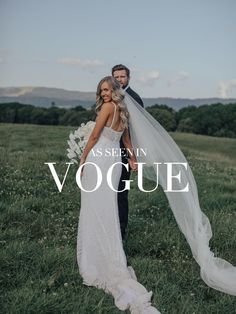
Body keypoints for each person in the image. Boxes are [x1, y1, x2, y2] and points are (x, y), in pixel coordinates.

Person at [77, 76, 160, 314]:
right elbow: (125, 138)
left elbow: (93, 136)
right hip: (114, 159)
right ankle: (108, 250)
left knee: (94, 205)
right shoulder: (123, 110)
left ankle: (96, 256)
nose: (103, 93)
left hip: (101, 158)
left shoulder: (107, 108)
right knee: (107, 206)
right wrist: (132, 158)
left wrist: (83, 160)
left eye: (106, 89)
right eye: (101, 90)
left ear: (114, 90)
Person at [112, 64, 143, 240]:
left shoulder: (134, 98)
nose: (119, 80)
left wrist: (133, 156)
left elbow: (135, 131)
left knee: (121, 191)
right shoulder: (114, 96)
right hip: (111, 149)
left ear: (128, 78)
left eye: (122, 77)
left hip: (126, 151)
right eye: (116, 77)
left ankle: (121, 231)